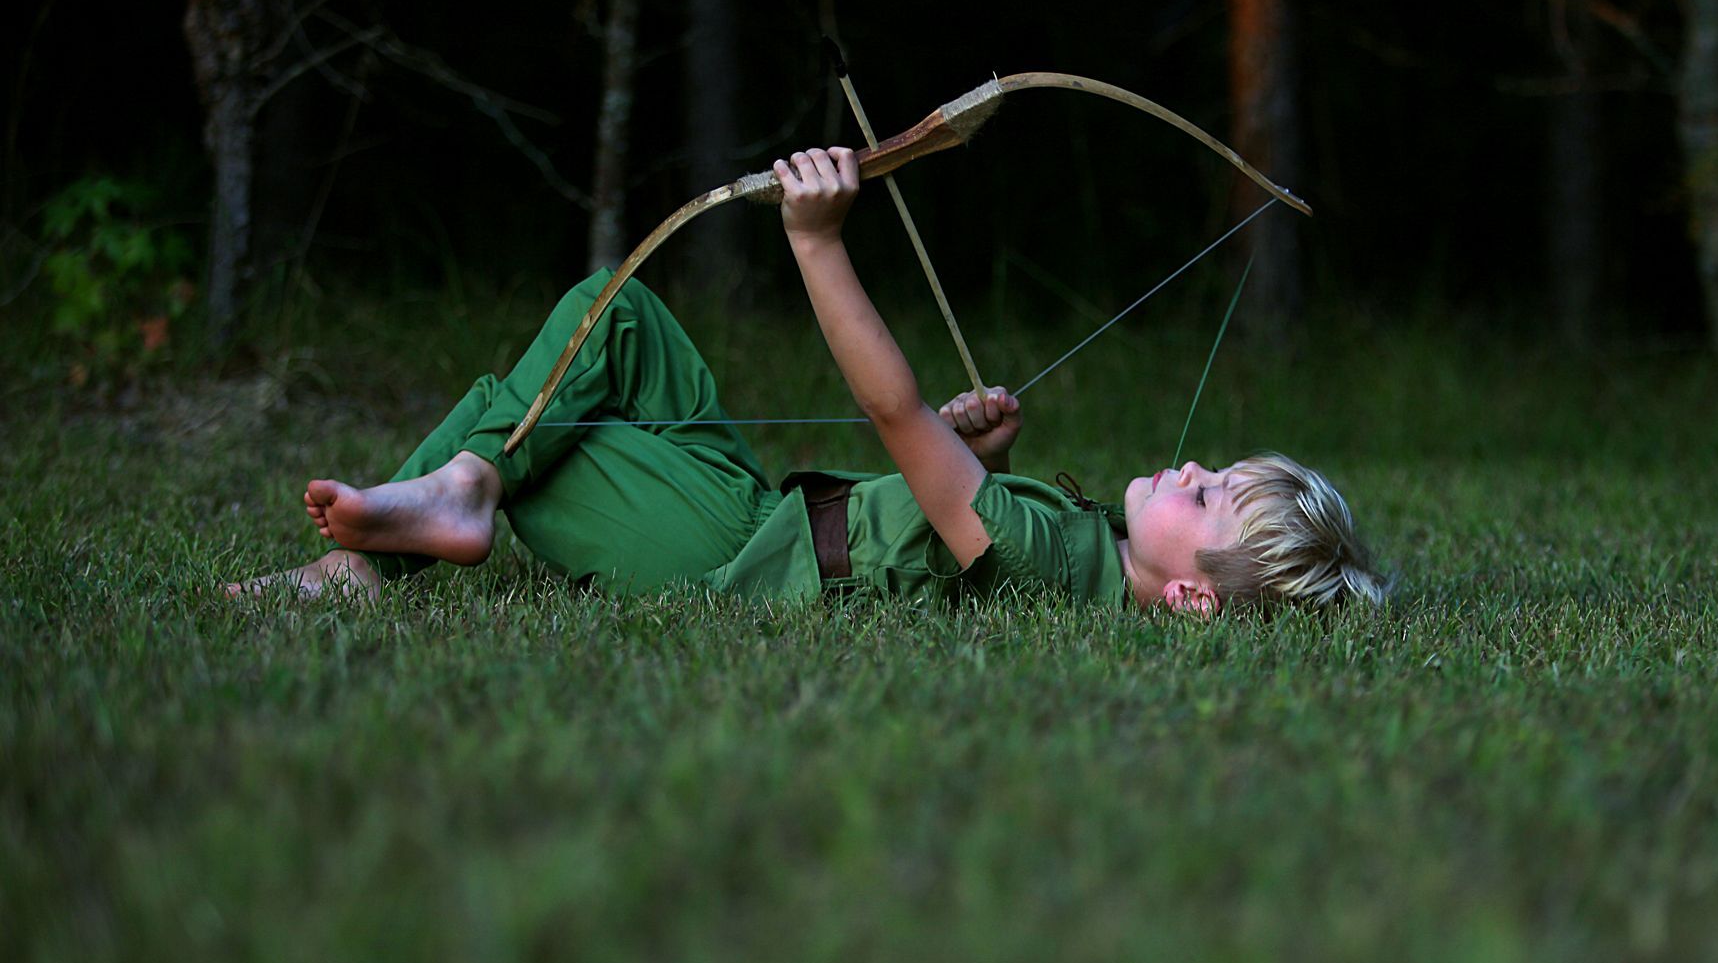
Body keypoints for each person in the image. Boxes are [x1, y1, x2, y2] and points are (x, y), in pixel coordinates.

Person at [231, 147, 1386, 613]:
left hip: (735, 560)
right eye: (1216, 468)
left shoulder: (1055, 561)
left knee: (543, 424)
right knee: (613, 312)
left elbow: (891, 411)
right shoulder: (1079, 551)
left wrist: (817, 240)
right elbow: (953, 525)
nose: (1192, 467)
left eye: (1209, 496)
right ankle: (452, 495)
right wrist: (981, 466)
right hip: (763, 512)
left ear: (1189, 598)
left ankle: (397, 543)